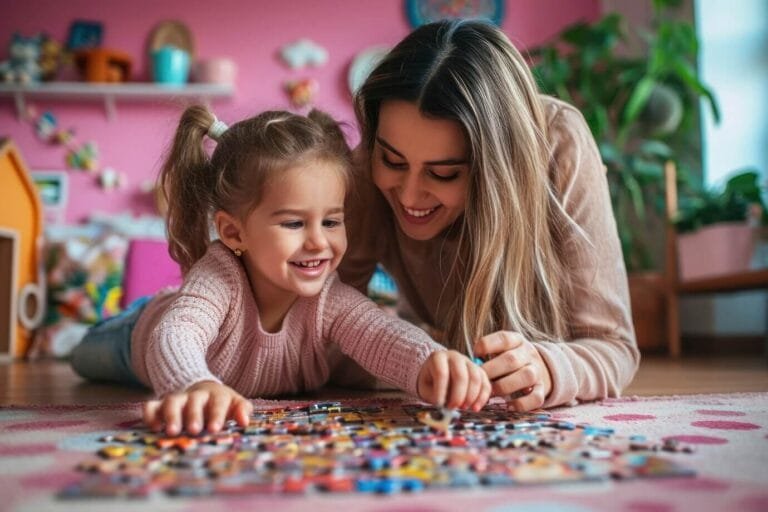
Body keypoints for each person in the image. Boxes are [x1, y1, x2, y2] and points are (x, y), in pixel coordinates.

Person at [71, 106, 491, 436]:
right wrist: (194, 385)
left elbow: (381, 334)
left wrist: (432, 362)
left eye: (331, 221)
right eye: (293, 223)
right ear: (234, 232)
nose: (318, 242)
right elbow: (175, 336)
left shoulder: (330, 297)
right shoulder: (220, 275)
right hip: (137, 335)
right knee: (81, 356)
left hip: (183, 328)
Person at [339, 19, 640, 412]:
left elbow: (615, 347)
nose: (409, 195)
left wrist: (551, 368)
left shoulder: (559, 145)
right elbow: (321, 319)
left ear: (497, 169)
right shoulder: (365, 168)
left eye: (443, 173)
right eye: (393, 162)